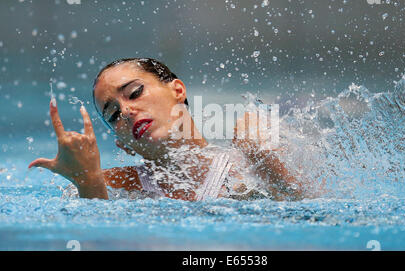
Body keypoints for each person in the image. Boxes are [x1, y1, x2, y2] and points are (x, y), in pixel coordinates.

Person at [29, 58, 304, 201]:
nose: (125, 111)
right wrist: (87, 180)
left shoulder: (245, 161)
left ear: (177, 90)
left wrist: (263, 154)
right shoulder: (116, 185)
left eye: (134, 92)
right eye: (112, 115)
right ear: (123, 144)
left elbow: (303, 208)